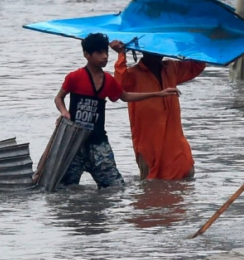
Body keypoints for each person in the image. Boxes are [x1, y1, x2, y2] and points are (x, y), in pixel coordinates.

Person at [55, 33, 178, 188]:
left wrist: (158, 94)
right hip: (74, 142)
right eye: (99, 53)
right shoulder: (75, 77)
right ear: (87, 55)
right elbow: (59, 98)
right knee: (65, 187)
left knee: (115, 187)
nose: (105, 56)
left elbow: (125, 96)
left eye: (106, 52)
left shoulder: (108, 80)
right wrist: (64, 113)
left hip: (98, 141)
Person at [111, 40, 205, 180]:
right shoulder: (133, 73)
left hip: (173, 137)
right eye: (152, 50)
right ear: (143, 51)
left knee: (186, 171)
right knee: (151, 178)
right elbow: (119, 86)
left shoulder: (171, 67)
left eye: (160, 49)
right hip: (148, 139)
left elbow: (197, 65)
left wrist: (188, 43)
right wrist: (121, 55)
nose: (157, 54)